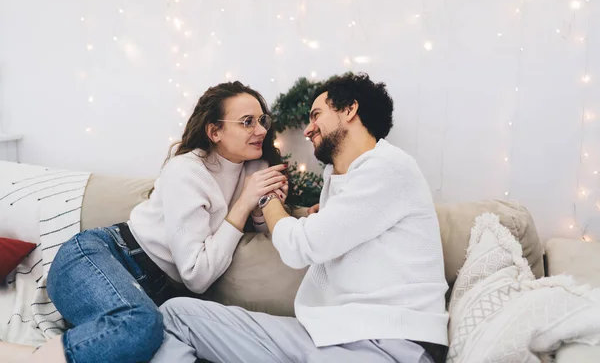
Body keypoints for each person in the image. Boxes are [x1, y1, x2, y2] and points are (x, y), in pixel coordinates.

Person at [150, 73, 449, 363]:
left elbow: (300, 247)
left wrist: (264, 197)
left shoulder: (388, 167)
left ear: (349, 109)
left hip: (388, 343)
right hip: (328, 335)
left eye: (317, 115)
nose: (307, 129)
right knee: (177, 316)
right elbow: (325, 234)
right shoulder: (341, 177)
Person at [0, 81, 289, 363]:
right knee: (139, 325)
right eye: (247, 122)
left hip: (146, 291)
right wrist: (243, 203)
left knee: (150, 340)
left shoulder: (256, 166)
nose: (261, 130)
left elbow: (260, 232)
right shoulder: (187, 171)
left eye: (262, 120)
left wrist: (259, 208)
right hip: (95, 257)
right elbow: (196, 276)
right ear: (214, 131)